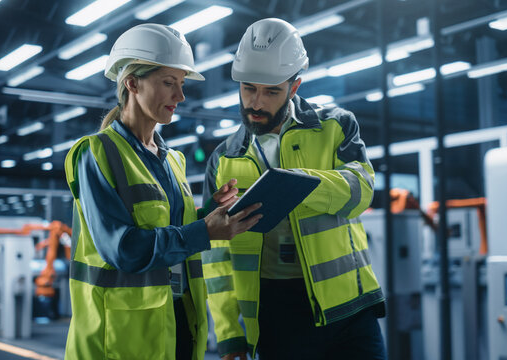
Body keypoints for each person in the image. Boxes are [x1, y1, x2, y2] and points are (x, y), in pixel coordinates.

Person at [63, 23, 262, 360]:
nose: (180, 96)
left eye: (181, 85)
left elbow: (173, 230)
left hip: (178, 323)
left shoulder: (174, 161)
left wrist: (210, 214)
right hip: (119, 338)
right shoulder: (97, 153)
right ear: (132, 83)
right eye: (169, 83)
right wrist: (204, 230)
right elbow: (123, 249)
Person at [202, 18, 386, 360]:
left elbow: (362, 190)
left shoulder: (336, 126)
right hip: (275, 314)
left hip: (349, 309)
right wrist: (228, 334)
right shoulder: (223, 159)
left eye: (271, 91)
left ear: (294, 87)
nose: (256, 103)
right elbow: (214, 257)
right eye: (248, 89)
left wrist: (296, 183)